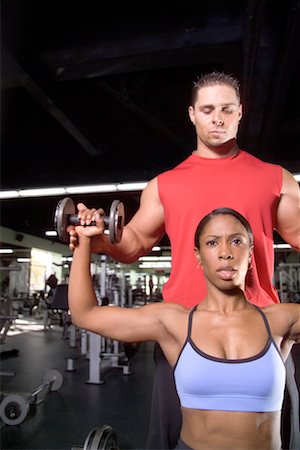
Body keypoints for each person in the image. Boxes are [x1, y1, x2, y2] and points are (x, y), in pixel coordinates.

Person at [68, 72, 300, 449]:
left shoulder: (276, 179)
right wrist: (96, 238)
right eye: (208, 110)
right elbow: (134, 242)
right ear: (192, 114)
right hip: (184, 337)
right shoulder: (165, 184)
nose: (218, 119)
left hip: (261, 332)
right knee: (175, 438)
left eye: (227, 109)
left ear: (241, 113)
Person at [68, 207, 300, 450]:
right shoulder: (173, 322)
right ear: (198, 257)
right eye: (212, 243)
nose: (225, 253)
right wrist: (84, 241)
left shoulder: (281, 320)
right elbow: (85, 314)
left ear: (250, 255)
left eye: (237, 241)